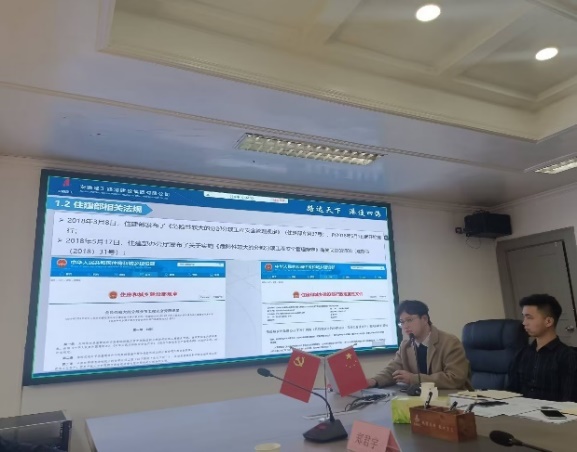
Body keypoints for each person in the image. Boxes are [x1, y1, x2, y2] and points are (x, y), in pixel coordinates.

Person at [366, 300, 472, 390]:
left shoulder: (449, 342)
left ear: (424, 319)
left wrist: (414, 379)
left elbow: (455, 378)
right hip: (422, 399)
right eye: (402, 322)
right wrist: (374, 381)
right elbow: (393, 370)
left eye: (409, 320)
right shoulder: (406, 345)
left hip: (452, 399)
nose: (405, 326)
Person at [507, 294, 577, 402]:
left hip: (553, 412)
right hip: (520, 410)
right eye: (524, 317)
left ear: (548, 321)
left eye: (529, 317)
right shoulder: (522, 354)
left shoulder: (567, 356)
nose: (524, 323)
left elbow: (569, 401)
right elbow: (510, 393)